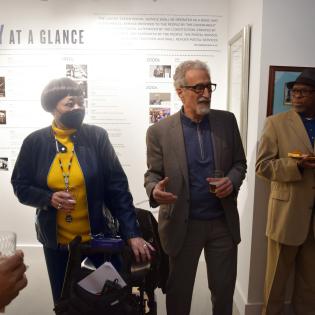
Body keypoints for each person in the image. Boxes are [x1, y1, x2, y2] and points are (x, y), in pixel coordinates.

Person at [11, 77, 153, 304]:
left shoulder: (97, 137)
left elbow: (118, 189)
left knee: (110, 301)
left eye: (81, 102)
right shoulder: (35, 142)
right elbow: (20, 186)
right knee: (65, 303)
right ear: (52, 107)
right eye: (70, 103)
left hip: (100, 241)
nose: (77, 108)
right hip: (57, 246)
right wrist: (48, 198)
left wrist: (132, 233)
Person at [144, 60, 247, 315]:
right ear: (180, 91)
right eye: (198, 87)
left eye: (209, 86)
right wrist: (154, 190)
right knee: (179, 294)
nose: (206, 93)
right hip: (182, 223)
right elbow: (153, 173)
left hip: (222, 222)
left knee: (223, 293)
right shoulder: (159, 131)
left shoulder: (226, 121)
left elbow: (239, 163)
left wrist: (231, 181)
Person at [256, 68, 315, 315]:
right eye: (295, 92)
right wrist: (296, 165)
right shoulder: (276, 123)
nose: (297, 96)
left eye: (303, 92)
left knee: (310, 284)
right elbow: (262, 166)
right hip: (287, 215)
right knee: (276, 283)